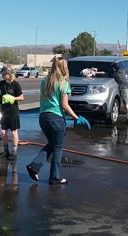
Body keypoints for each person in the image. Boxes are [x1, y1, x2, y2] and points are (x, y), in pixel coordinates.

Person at [26, 57, 90, 185]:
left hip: (43, 117)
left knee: (52, 144)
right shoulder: (63, 83)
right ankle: (54, 177)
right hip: (56, 119)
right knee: (57, 148)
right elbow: (65, 105)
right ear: (64, 67)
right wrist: (77, 118)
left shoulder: (45, 81)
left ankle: (34, 166)